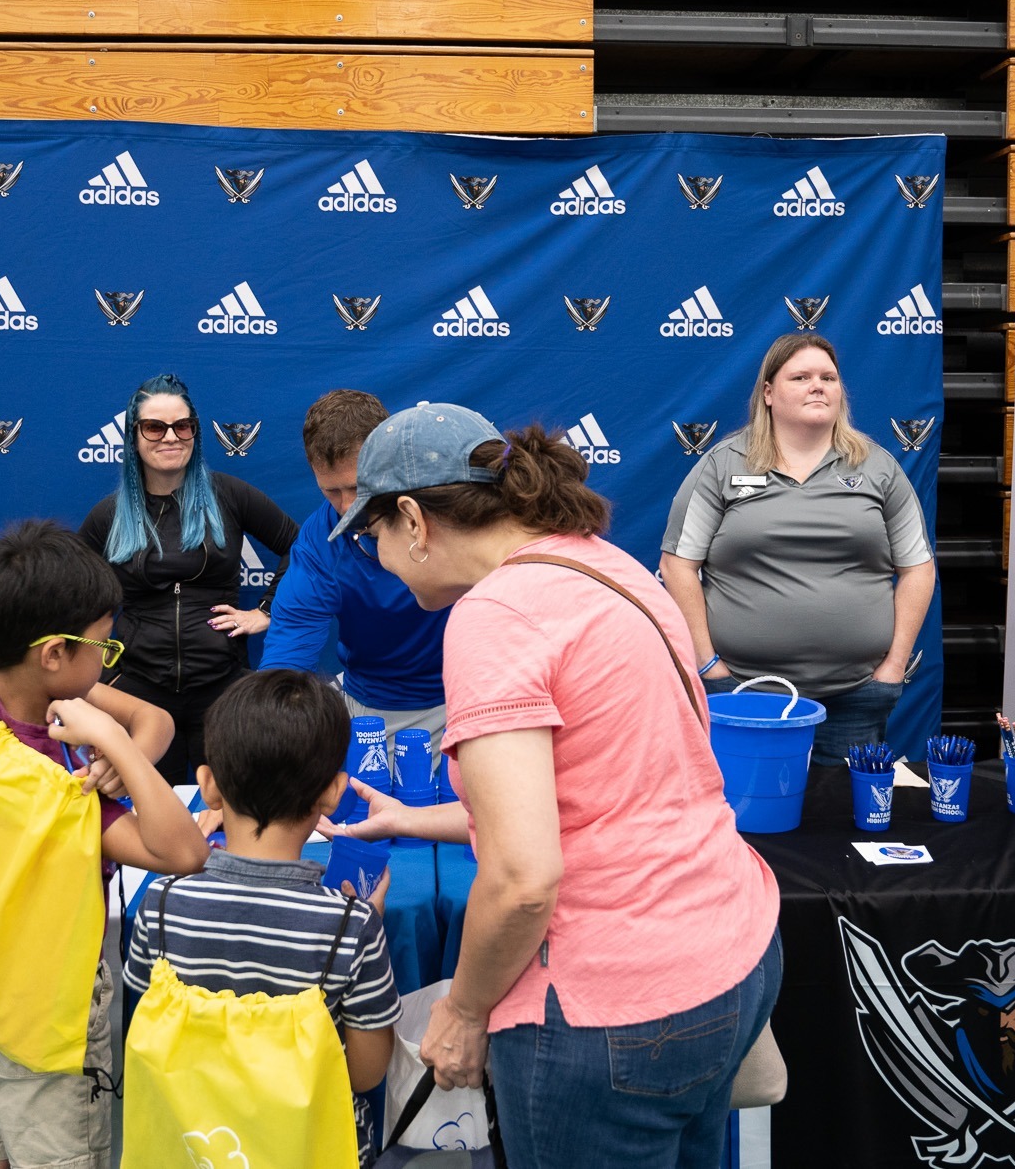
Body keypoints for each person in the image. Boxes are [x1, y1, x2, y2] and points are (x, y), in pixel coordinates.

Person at [331, 403, 782, 1168]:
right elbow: (607, 792)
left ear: (413, 518)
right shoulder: (607, 564)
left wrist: (464, 1011)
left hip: (610, 1009)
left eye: (372, 532)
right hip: (731, 953)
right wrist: (415, 816)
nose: (375, 555)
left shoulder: (497, 615)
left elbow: (523, 878)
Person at [0, 520, 209, 1169]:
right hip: (50, 1011)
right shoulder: (49, 789)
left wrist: (121, 765)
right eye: (104, 647)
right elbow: (183, 851)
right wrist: (116, 744)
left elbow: (157, 718)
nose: (106, 659)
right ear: (55, 654)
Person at [121, 670, 401, 1165]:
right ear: (334, 792)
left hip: (191, 1149)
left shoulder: (159, 905)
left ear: (207, 785)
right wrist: (366, 922)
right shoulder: (350, 928)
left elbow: (145, 1027)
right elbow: (366, 1073)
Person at [661, 333, 935, 761]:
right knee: (751, 821)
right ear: (768, 393)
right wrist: (708, 664)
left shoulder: (878, 466)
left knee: (842, 823)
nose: (818, 385)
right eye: (801, 376)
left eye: (828, 376)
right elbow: (677, 565)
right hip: (744, 692)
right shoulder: (723, 464)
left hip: (856, 696)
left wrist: (894, 666)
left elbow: (919, 567)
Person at [80, 373, 298, 785]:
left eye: (183, 426)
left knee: (227, 813)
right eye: (154, 427)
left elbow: (300, 546)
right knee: (146, 818)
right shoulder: (110, 514)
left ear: (195, 432)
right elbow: (65, 591)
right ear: (134, 436)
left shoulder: (229, 495)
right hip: (138, 694)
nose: (170, 437)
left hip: (223, 688)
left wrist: (267, 611)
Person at [258, 390, 450, 749]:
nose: (347, 508)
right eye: (331, 491)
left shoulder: (453, 507)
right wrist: (268, 720)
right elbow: (290, 642)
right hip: (371, 706)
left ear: (387, 460)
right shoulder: (320, 539)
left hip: (470, 698)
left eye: (358, 487)